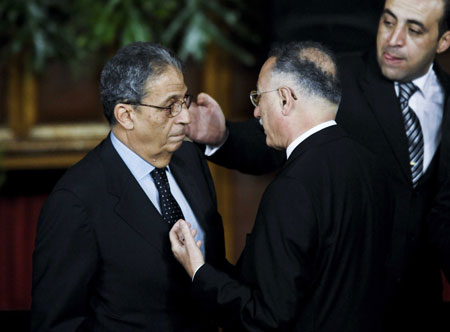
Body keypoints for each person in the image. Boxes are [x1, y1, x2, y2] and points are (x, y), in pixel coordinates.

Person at [186, 0, 450, 330]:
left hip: (414, 304)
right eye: (388, 21)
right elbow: (287, 133)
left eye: (414, 29)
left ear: (443, 40)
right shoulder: (333, 76)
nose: (395, 38)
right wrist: (222, 135)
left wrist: (201, 273)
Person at [170, 41, 392, 332]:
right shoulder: (372, 167)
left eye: (259, 98)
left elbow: (266, 318)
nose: (256, 113)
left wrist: (198, 273)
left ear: (286, 99)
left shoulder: (292, 189)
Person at [31, 42, 226, 331]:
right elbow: (57, 324)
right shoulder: (75, 201)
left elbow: (213, 269)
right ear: (125, 115)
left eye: (184, 101)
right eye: (169, 106)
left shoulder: (191, 160)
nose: (185, 117)